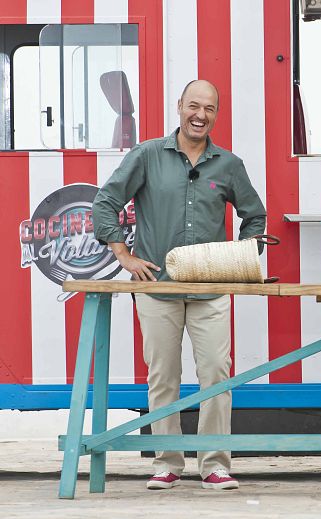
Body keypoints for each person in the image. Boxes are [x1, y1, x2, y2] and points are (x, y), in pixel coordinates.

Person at [92, 79, 267, 491]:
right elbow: (106, 202)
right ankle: (166, 462)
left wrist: (241, 256)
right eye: (193, 106)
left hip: (211, 290)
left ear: (216, 115)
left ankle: (215, 464)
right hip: (157, 287)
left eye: (208, 109)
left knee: (216, 375)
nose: (199, 115)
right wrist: (124, 256)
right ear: (179, 107)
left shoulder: (229, 164)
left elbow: (255, 217)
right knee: (163, 376)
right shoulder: (148, 155)